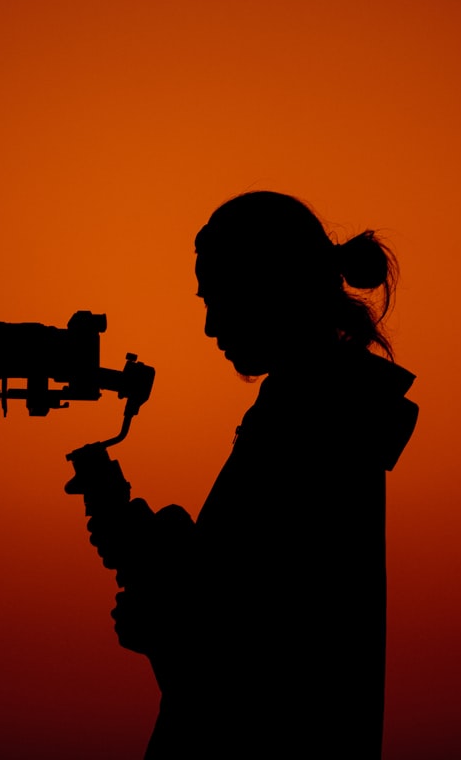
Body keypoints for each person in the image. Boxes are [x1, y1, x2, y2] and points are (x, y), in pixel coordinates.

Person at [83, 191, 418, 758]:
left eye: (221, 299)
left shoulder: (310, 419)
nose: (211, 326)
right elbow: (245, 581)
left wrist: (161, 602)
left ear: (272, 290)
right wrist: (164, 557)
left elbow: (259, 647)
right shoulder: (315, 406)